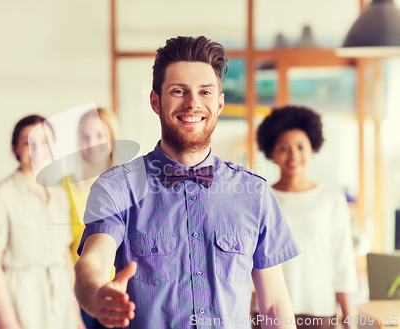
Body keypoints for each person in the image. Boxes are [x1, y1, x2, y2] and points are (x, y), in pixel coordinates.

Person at [74, 36, 301, 329]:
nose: (193, 103)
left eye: (205, 92)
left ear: (219, 103)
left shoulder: (255, 193)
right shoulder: (117, 187)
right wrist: (97, 296)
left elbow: (274, 305)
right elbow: (91, 263)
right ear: (156, 101)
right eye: (179, 91)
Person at [256, 106, 358, 329]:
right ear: (271, 152)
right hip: (267, 313)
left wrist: (350, 319)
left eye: (301, 147)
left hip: (319, 312)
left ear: (313, 149)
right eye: (284, 147)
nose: (293, 155)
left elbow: (343, 264)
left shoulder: (331, 199)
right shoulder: (261, 198)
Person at [0, 115, 85, 329]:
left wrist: (76, 316)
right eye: (28, 142)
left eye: (45, 142)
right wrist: (9, 321)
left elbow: (64, 256)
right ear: (15, 148)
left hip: (61, 301)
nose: (38, 149)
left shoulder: (59, 194)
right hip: (23, 300)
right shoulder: (2, 194)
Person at [65, 109, 119, 329]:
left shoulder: (125, 185)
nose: (92, 143)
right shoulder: (64, 186)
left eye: (100, 135)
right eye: (85, 137)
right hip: (77, 291)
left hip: (119, 290)